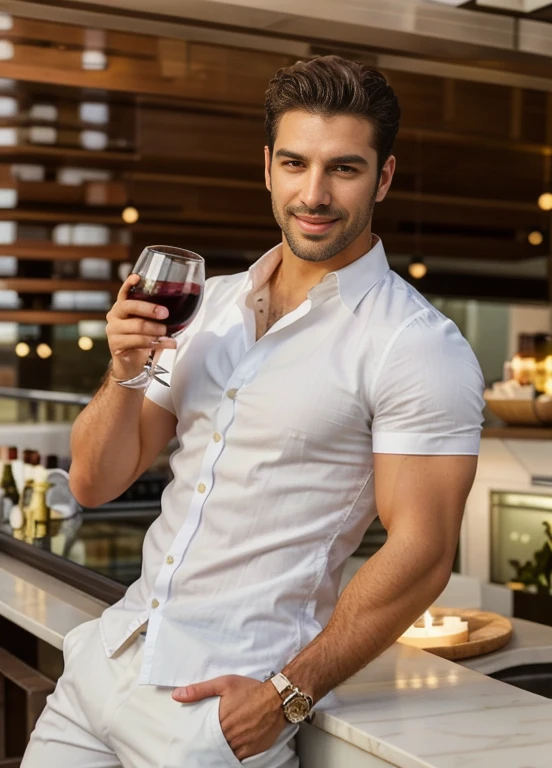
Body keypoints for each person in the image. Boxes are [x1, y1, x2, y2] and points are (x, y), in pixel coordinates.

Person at [22, 55, 484, 768]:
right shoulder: (210, 304)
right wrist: (123, 373)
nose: (315, 192)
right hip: (103, 670)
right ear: (267, 167)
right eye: (296, 164)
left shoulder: (416, 346)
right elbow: (93, 482)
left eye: (345, 169)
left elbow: (422, 553)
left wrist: (288, 695)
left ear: (384, 178)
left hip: (214, 713)